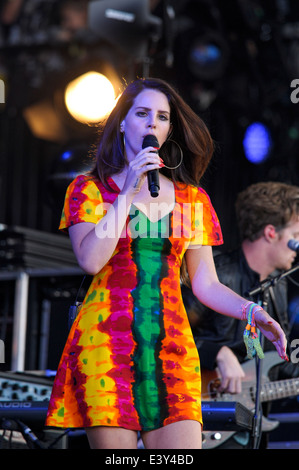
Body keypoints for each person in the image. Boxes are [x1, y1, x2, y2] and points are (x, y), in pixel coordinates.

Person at [45, 77, 288, 450]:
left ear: (169, 128)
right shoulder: (89, 190)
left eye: (162, 116)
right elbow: (92, 260)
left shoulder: (193, 200)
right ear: (123, 122)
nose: (152, 123)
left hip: (171, 344)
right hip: (105, 343)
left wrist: (253, 312)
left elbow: (205, 283)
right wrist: (128, 189)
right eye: (142, 114)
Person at [185, 181, 299, 448]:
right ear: (271, 232)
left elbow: (279, 363)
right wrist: (217, 354)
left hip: (252, 425)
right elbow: (166, 335)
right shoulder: (215, 278)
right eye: (295, 234)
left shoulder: (279, 285)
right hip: (200, 417)